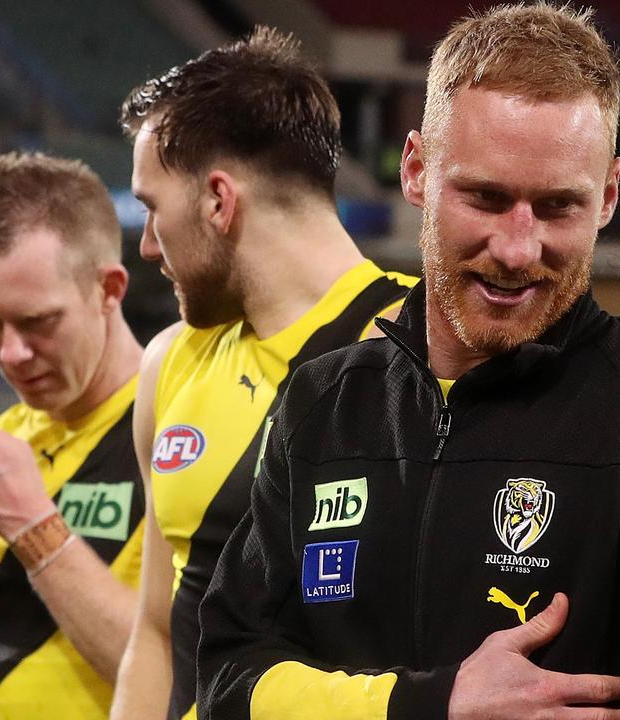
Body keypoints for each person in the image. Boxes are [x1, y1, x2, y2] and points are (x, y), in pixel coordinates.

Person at [197, 6, 620, 719]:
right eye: (486, 198)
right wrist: (423, 705)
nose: (519, 249)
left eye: (557, 207)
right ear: (417, 170)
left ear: (608, 195)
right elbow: (228, 680)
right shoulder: (324, 404)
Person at [109, 27, 416, 720]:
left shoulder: (414, 352)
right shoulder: (168, 363)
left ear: (219, 201)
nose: (147, 246)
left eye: (152, 209)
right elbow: (156, 633)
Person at [0, 152, 145, 719]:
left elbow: (187, 672)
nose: (11, 353)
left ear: (109, 289)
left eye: (38, 321)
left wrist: (30, 525)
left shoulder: (180, 430)